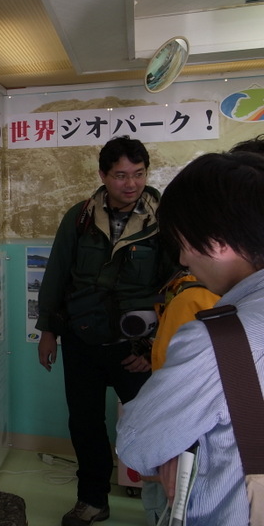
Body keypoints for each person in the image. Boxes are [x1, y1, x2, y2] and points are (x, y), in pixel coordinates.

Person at [117, 151, 264, 525]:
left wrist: (177, 443)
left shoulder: (220, 339)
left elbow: (137, 443)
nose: (183, 259)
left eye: (184, 242)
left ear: (216, 241)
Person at [36, 136, 174, 526]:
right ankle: (92, 500)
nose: (131, 184)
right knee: (85, 424)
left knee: (153, 425)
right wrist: (48, 331)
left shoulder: (164, 221)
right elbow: (57, 275)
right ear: (102, 175)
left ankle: (162, 508)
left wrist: (152, 347)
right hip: (82, 339)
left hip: (136, 347)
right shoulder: (80, 217)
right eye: (120, 175)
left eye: (139, 174)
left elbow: (176, 287)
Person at [139, 268, 220, 525]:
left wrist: (164, 447)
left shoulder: (189, 299)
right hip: (214, 439)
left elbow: (172, 379)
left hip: (183, 438)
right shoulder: (238, 295)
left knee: (169, 505)